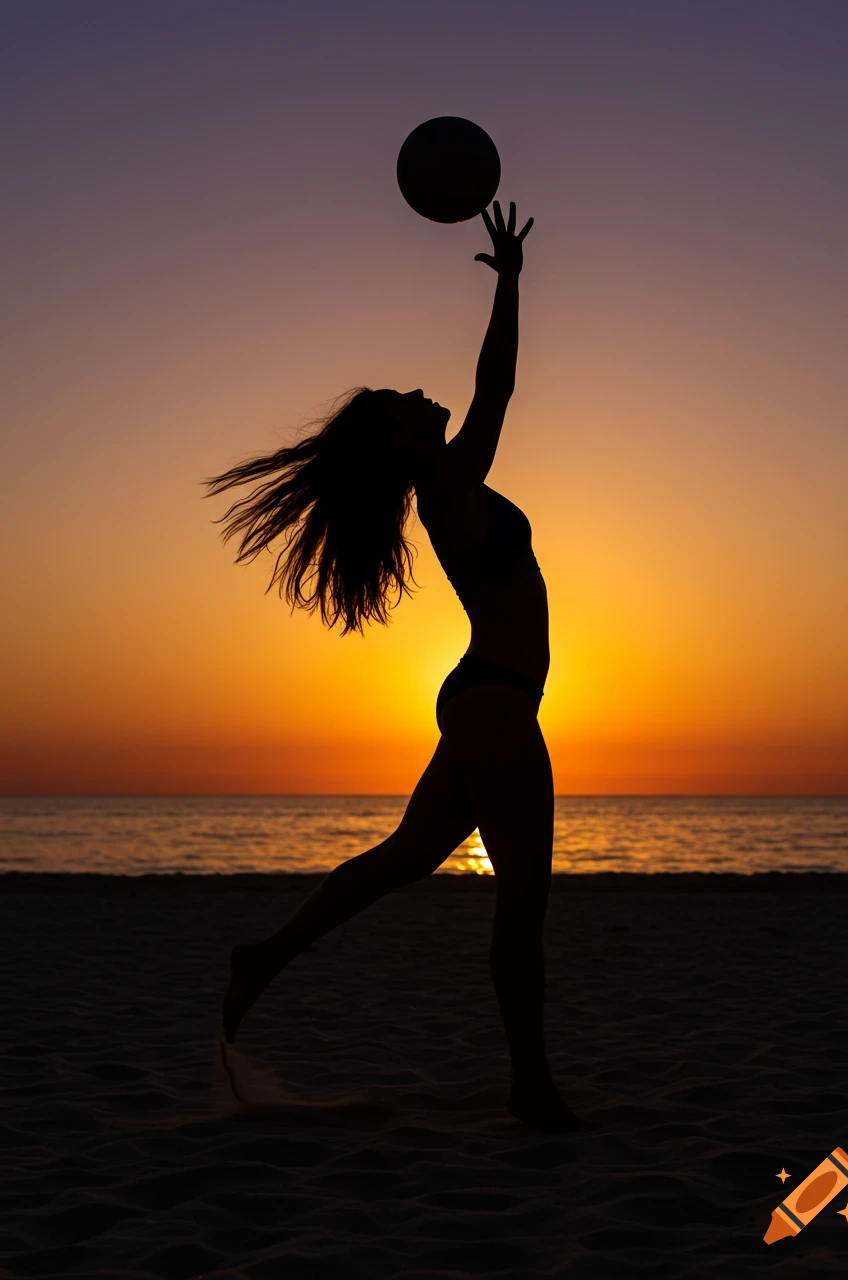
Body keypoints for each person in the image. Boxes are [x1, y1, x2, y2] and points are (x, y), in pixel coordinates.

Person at [205, 201, 584, 1133]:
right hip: (495, 705)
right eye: (407, 404)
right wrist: (510, 286)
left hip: (483, 698)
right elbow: (495, 390)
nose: (425, 395)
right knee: (520, 902)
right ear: (403, 443)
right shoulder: (447, 484)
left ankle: (266, 954)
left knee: (407, 858)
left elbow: (485, 402)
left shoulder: (444, 485)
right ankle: (531, 1089)